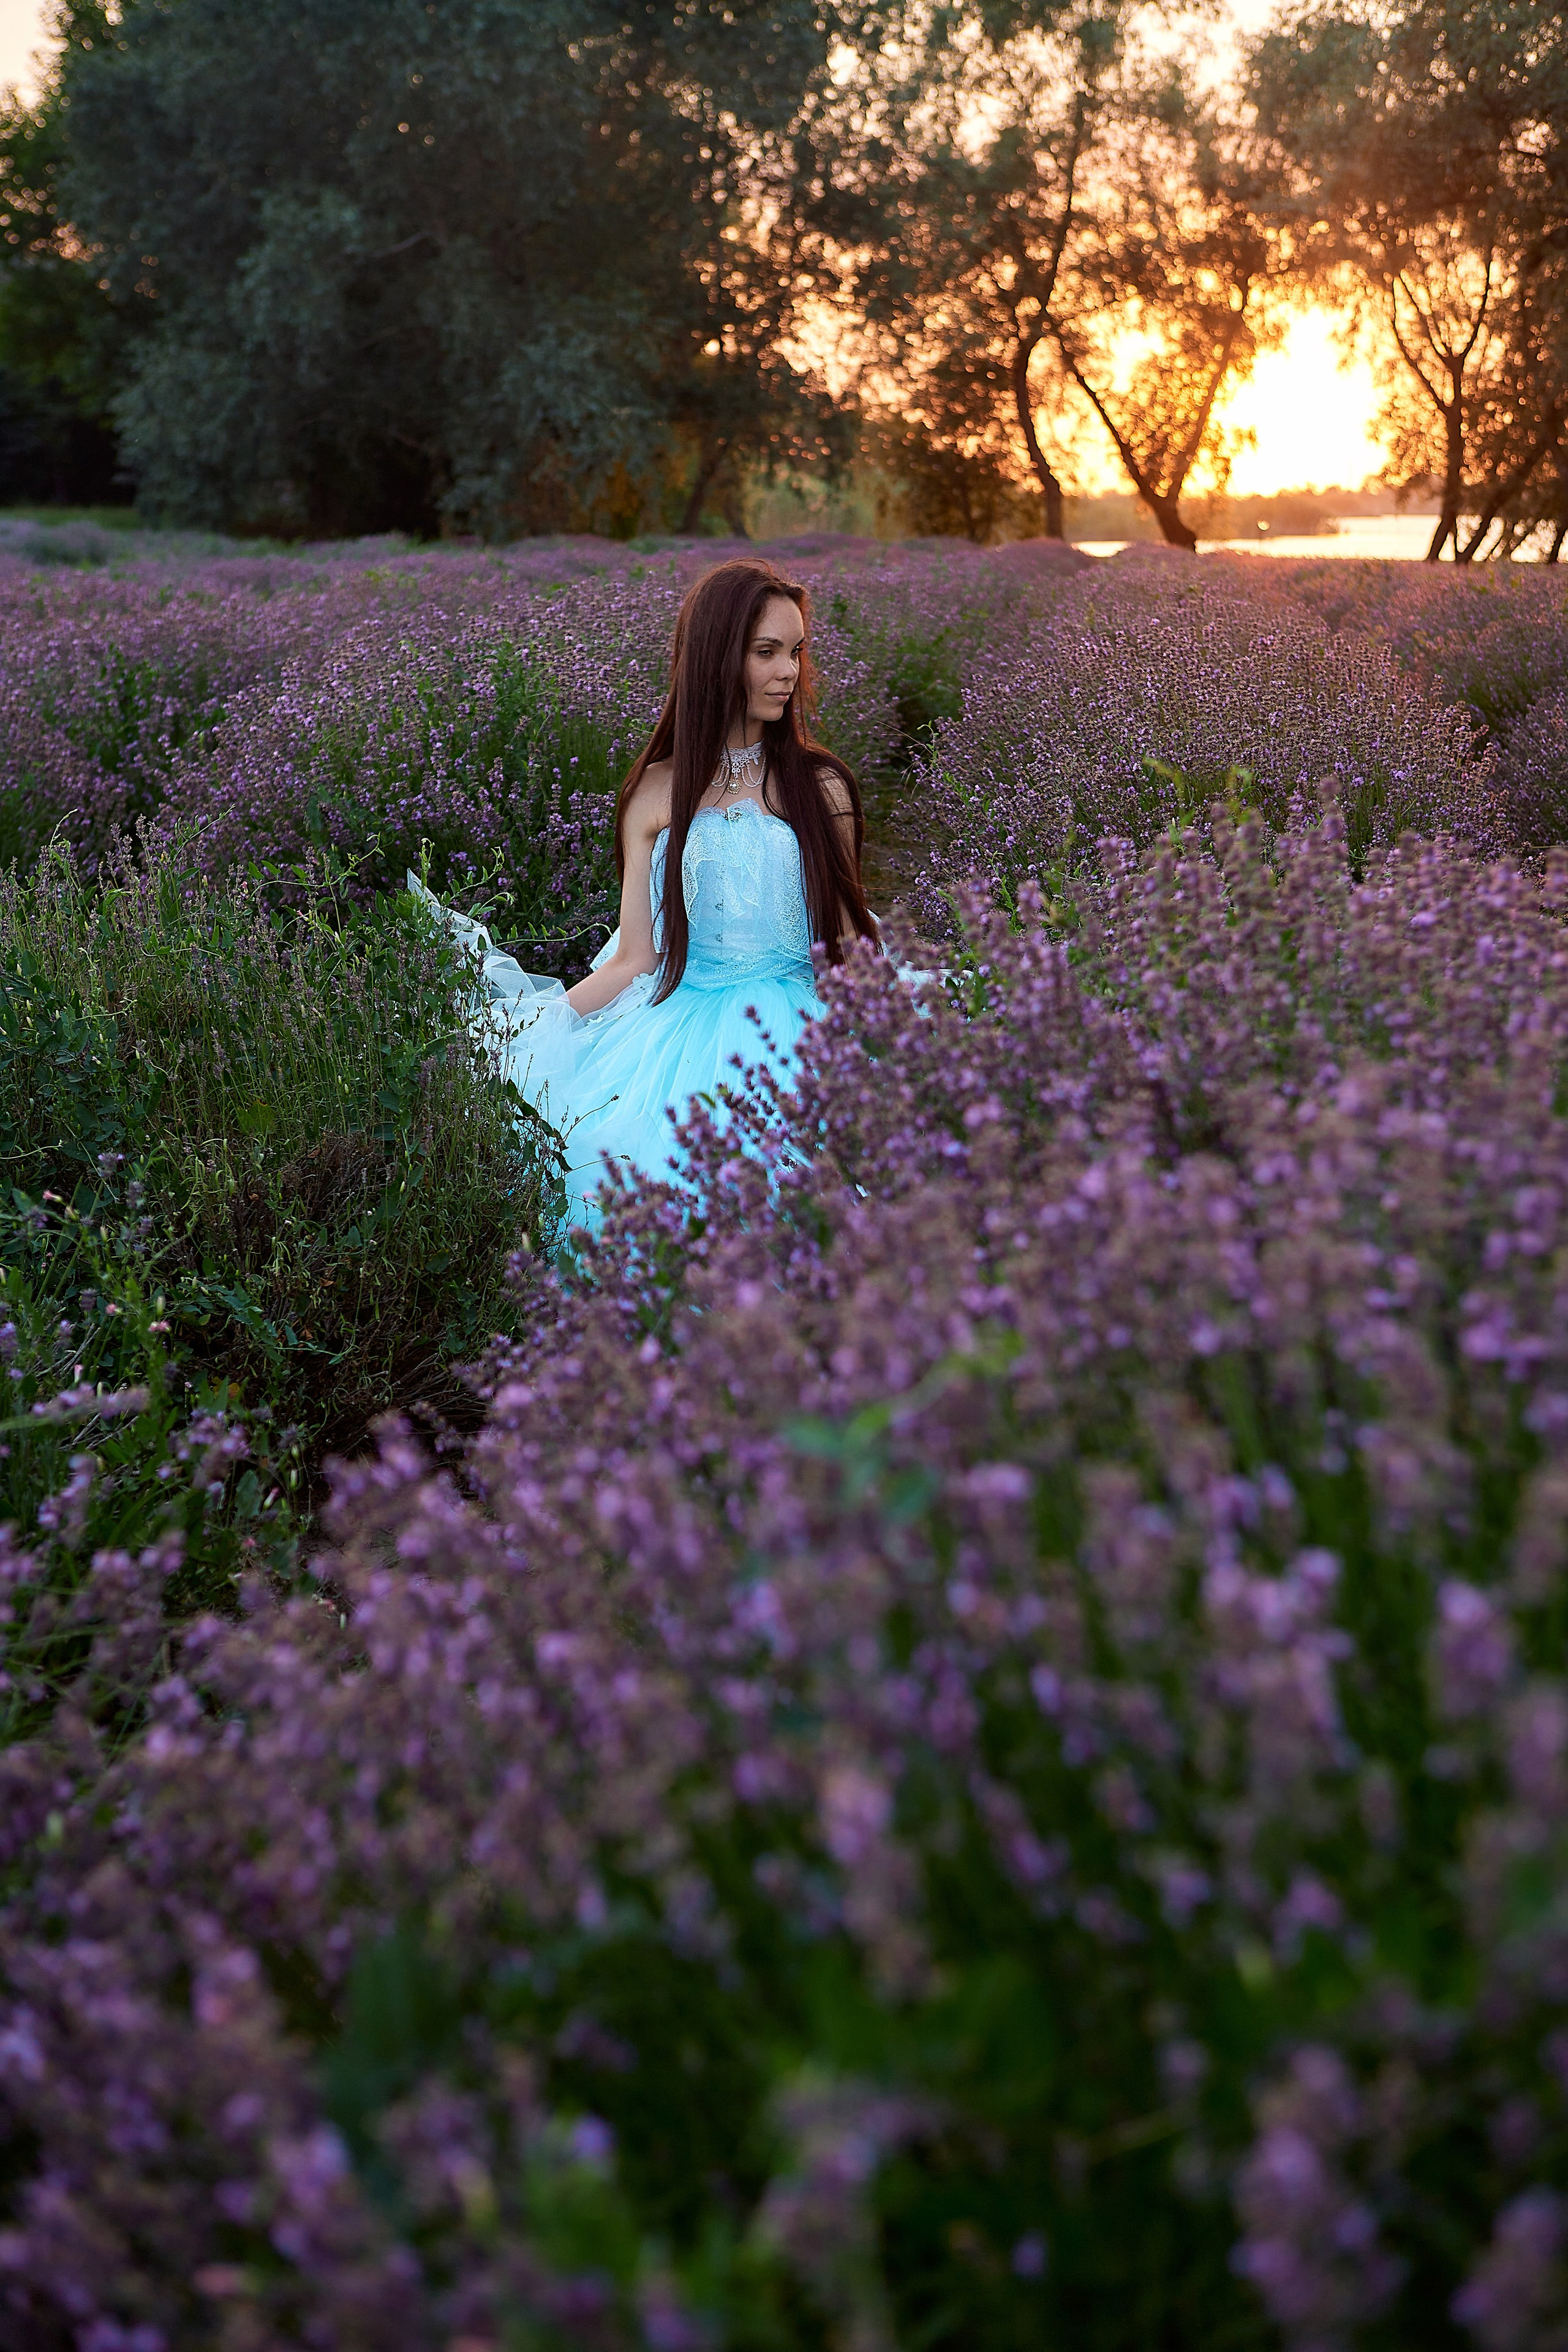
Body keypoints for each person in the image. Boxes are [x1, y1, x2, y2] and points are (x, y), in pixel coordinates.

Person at [413, 557, 881, 1232]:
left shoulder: (820, 786)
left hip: (796, 1023)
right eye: (767, 652)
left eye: (797, 652)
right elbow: (635, 957)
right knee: (630, 1186)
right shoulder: (654, 792)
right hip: (678, 1033)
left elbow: (844, 943)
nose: (790, 673)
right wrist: (517, 1037)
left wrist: (887, 1041)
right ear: (718, 658)